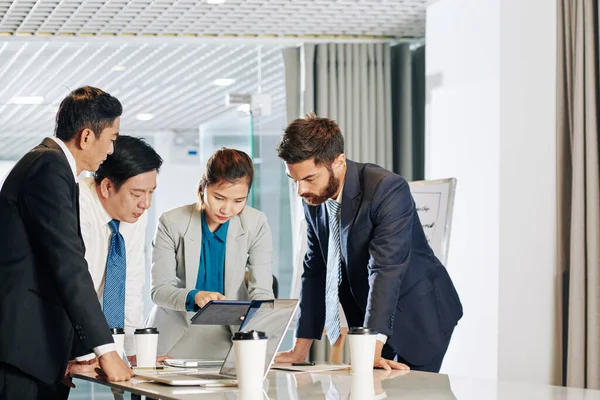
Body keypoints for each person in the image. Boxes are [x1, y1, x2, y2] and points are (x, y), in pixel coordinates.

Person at [274, 113, 463, 372]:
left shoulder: (387, 189)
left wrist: (372, 347)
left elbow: (385, 268)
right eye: (293, 180)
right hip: (370, 317)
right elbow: (316, 270)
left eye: (308, 179)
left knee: (416, 393)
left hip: (420, 315)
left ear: (338, 161)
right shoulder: (315, 199)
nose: (300, 190)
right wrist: (300, 348)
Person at [0, 86, 133, 399]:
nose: (111, 150)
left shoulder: (52, 166)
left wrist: (75, 353)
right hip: (20, 353)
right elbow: (68, 264)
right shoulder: (48, 167)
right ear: (87, 136)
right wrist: (106, 352)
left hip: (37, 352)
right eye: (112, 138)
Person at [146, 148, 274, 358]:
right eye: (219, 197)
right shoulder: (171, 222)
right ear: (202, 188)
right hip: (173, 339)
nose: (227, 209)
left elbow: (262, 293)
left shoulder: (256, 223)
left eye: (238, 200)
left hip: (230, 337)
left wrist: (259, 331)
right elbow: (159, 290)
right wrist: (195, 296)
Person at [65, 135, 164, 377]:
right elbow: (75, 285)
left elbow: (130, 282)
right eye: (138, 193)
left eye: (151, 192)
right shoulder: (76, 205)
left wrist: (130, 352)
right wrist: (97, 354)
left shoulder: (130, 215)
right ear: (107, 186)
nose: (146, 204)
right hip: (42, 334)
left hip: (78, 341)